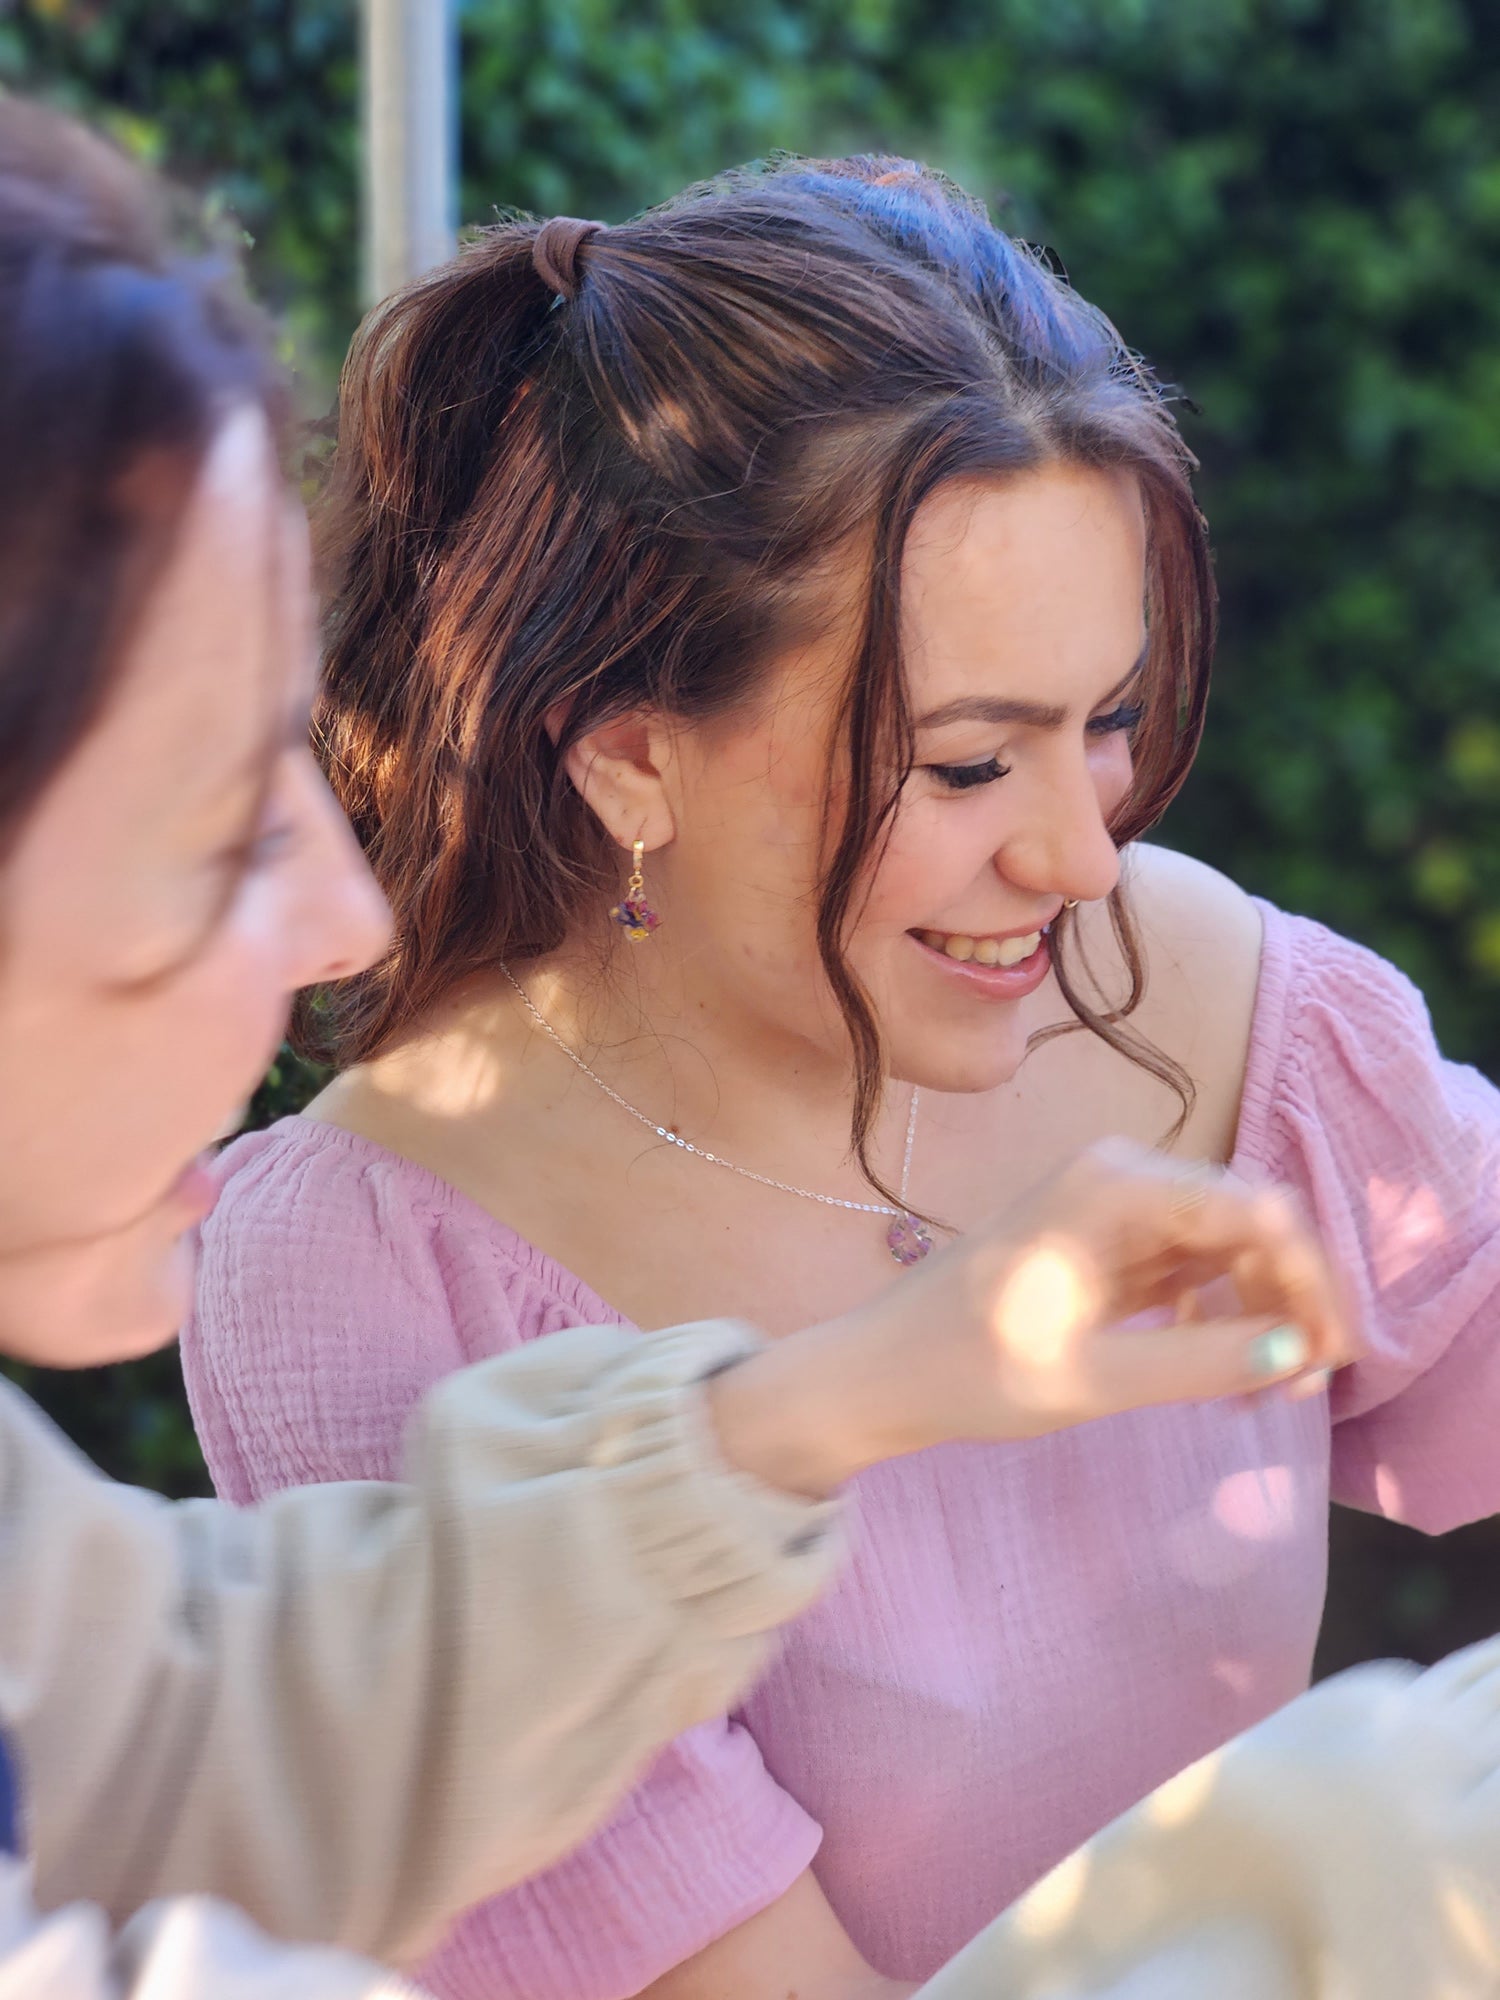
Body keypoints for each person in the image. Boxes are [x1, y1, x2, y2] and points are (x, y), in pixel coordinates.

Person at [0, 94, 1393, 2000]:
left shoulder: (1202, 977)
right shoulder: (364, 1246)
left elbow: (227, 1730)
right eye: (217, 819)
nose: (343, 919)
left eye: (1109, 721)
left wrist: (844, 1397)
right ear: (629, 760)